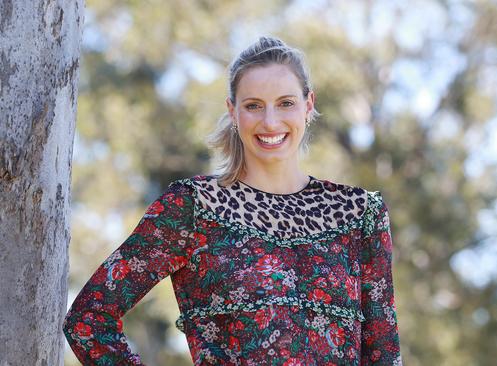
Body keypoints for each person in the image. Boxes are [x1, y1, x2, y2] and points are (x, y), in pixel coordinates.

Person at [63, 36, 402, 365]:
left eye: (285, 103)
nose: (270, 121)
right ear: (233, 111)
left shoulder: (359, 214)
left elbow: (384, 355)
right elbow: (89, 319)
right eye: (253, 106)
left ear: (308, 105)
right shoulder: (194, 207)